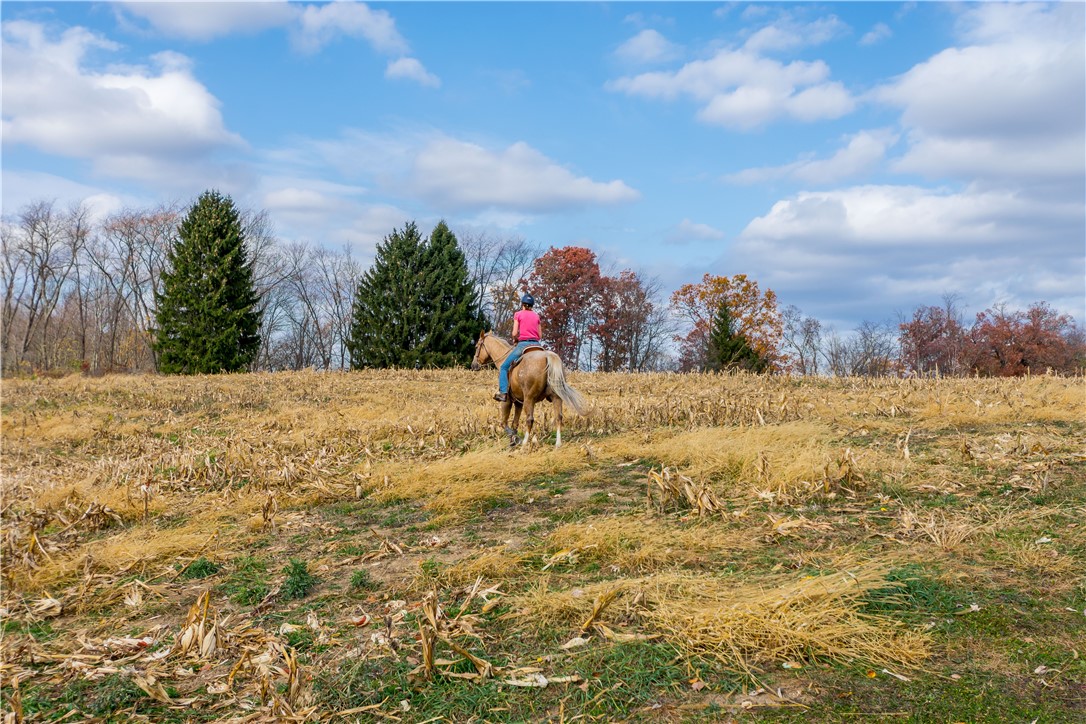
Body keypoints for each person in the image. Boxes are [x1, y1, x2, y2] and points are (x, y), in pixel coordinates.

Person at [495, 294, 542, 402]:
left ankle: (503, 393)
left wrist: (516, 339)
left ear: (523, 305)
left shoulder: (518, 314)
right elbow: (540, 336)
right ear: (532, 306)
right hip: (537, 345)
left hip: (523, 345)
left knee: (504, 367)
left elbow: (514, 333)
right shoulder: (536, 316)